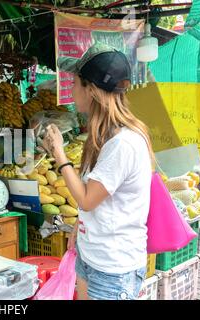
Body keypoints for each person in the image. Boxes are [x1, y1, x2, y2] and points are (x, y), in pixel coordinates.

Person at [43, 43, 154, 300]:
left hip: (113, 270)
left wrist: (59, 153)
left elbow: (87, 199)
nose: (70, 89)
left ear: (91, 90)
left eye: (74, 83)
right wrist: (80, 226)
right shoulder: (106, 137)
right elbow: (98, 201)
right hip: (92, 256)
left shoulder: (123, 144)